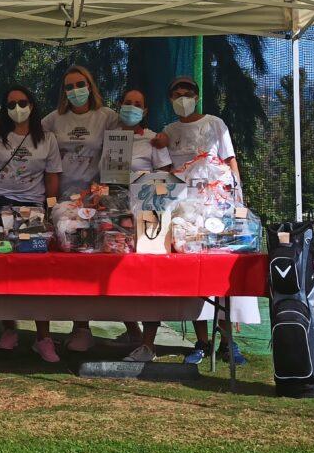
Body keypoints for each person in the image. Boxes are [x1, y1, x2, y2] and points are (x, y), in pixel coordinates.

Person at [154, 75, 247, 366]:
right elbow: (166, 169)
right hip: (185, 214)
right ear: (170, 99)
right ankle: (202, 342)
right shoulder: (168, 131)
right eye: (176, 93)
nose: (182, 97)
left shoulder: (215, 123)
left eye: (187, 92)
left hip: (217, 210)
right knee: (193, 278)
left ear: (196, 95)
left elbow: (230, 160)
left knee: (221, 276)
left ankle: (229, 342)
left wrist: (238, 197)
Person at [42, 64, 119, 353]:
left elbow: (117, 155)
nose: (75, 91)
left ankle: (83, 327)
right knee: (66, 263)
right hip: (61, 203)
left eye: (80, 84)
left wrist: (103, 195)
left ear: (91, 85)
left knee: (88, 264)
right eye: (69, 86)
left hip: (94, 202)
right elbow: (33, 145)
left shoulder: (107, 117)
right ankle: (59, 328)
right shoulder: (52, 120)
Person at [0, 85, 62, 362]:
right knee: (3, 268)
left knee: (38, 272)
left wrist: (50, 211)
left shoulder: (47, 138)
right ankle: (9, 329)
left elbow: (52, 176)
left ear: (33, 104)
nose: (18, 108)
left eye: (23, 102)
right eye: (11, 103)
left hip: (33, 209)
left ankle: (43, 337)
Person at [105, 87, 172, 363]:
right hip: (118, 215)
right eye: (127, 102)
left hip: (148, 217)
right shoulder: (113, 138)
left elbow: (166, 178)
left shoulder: (153, 140)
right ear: (119, 105)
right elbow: (110, 177)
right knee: (116, 277)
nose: (131, 107)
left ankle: (148, 343)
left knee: (148, 278)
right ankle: (132, 330)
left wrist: (149, 201)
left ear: (144, 111)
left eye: (138, 104)